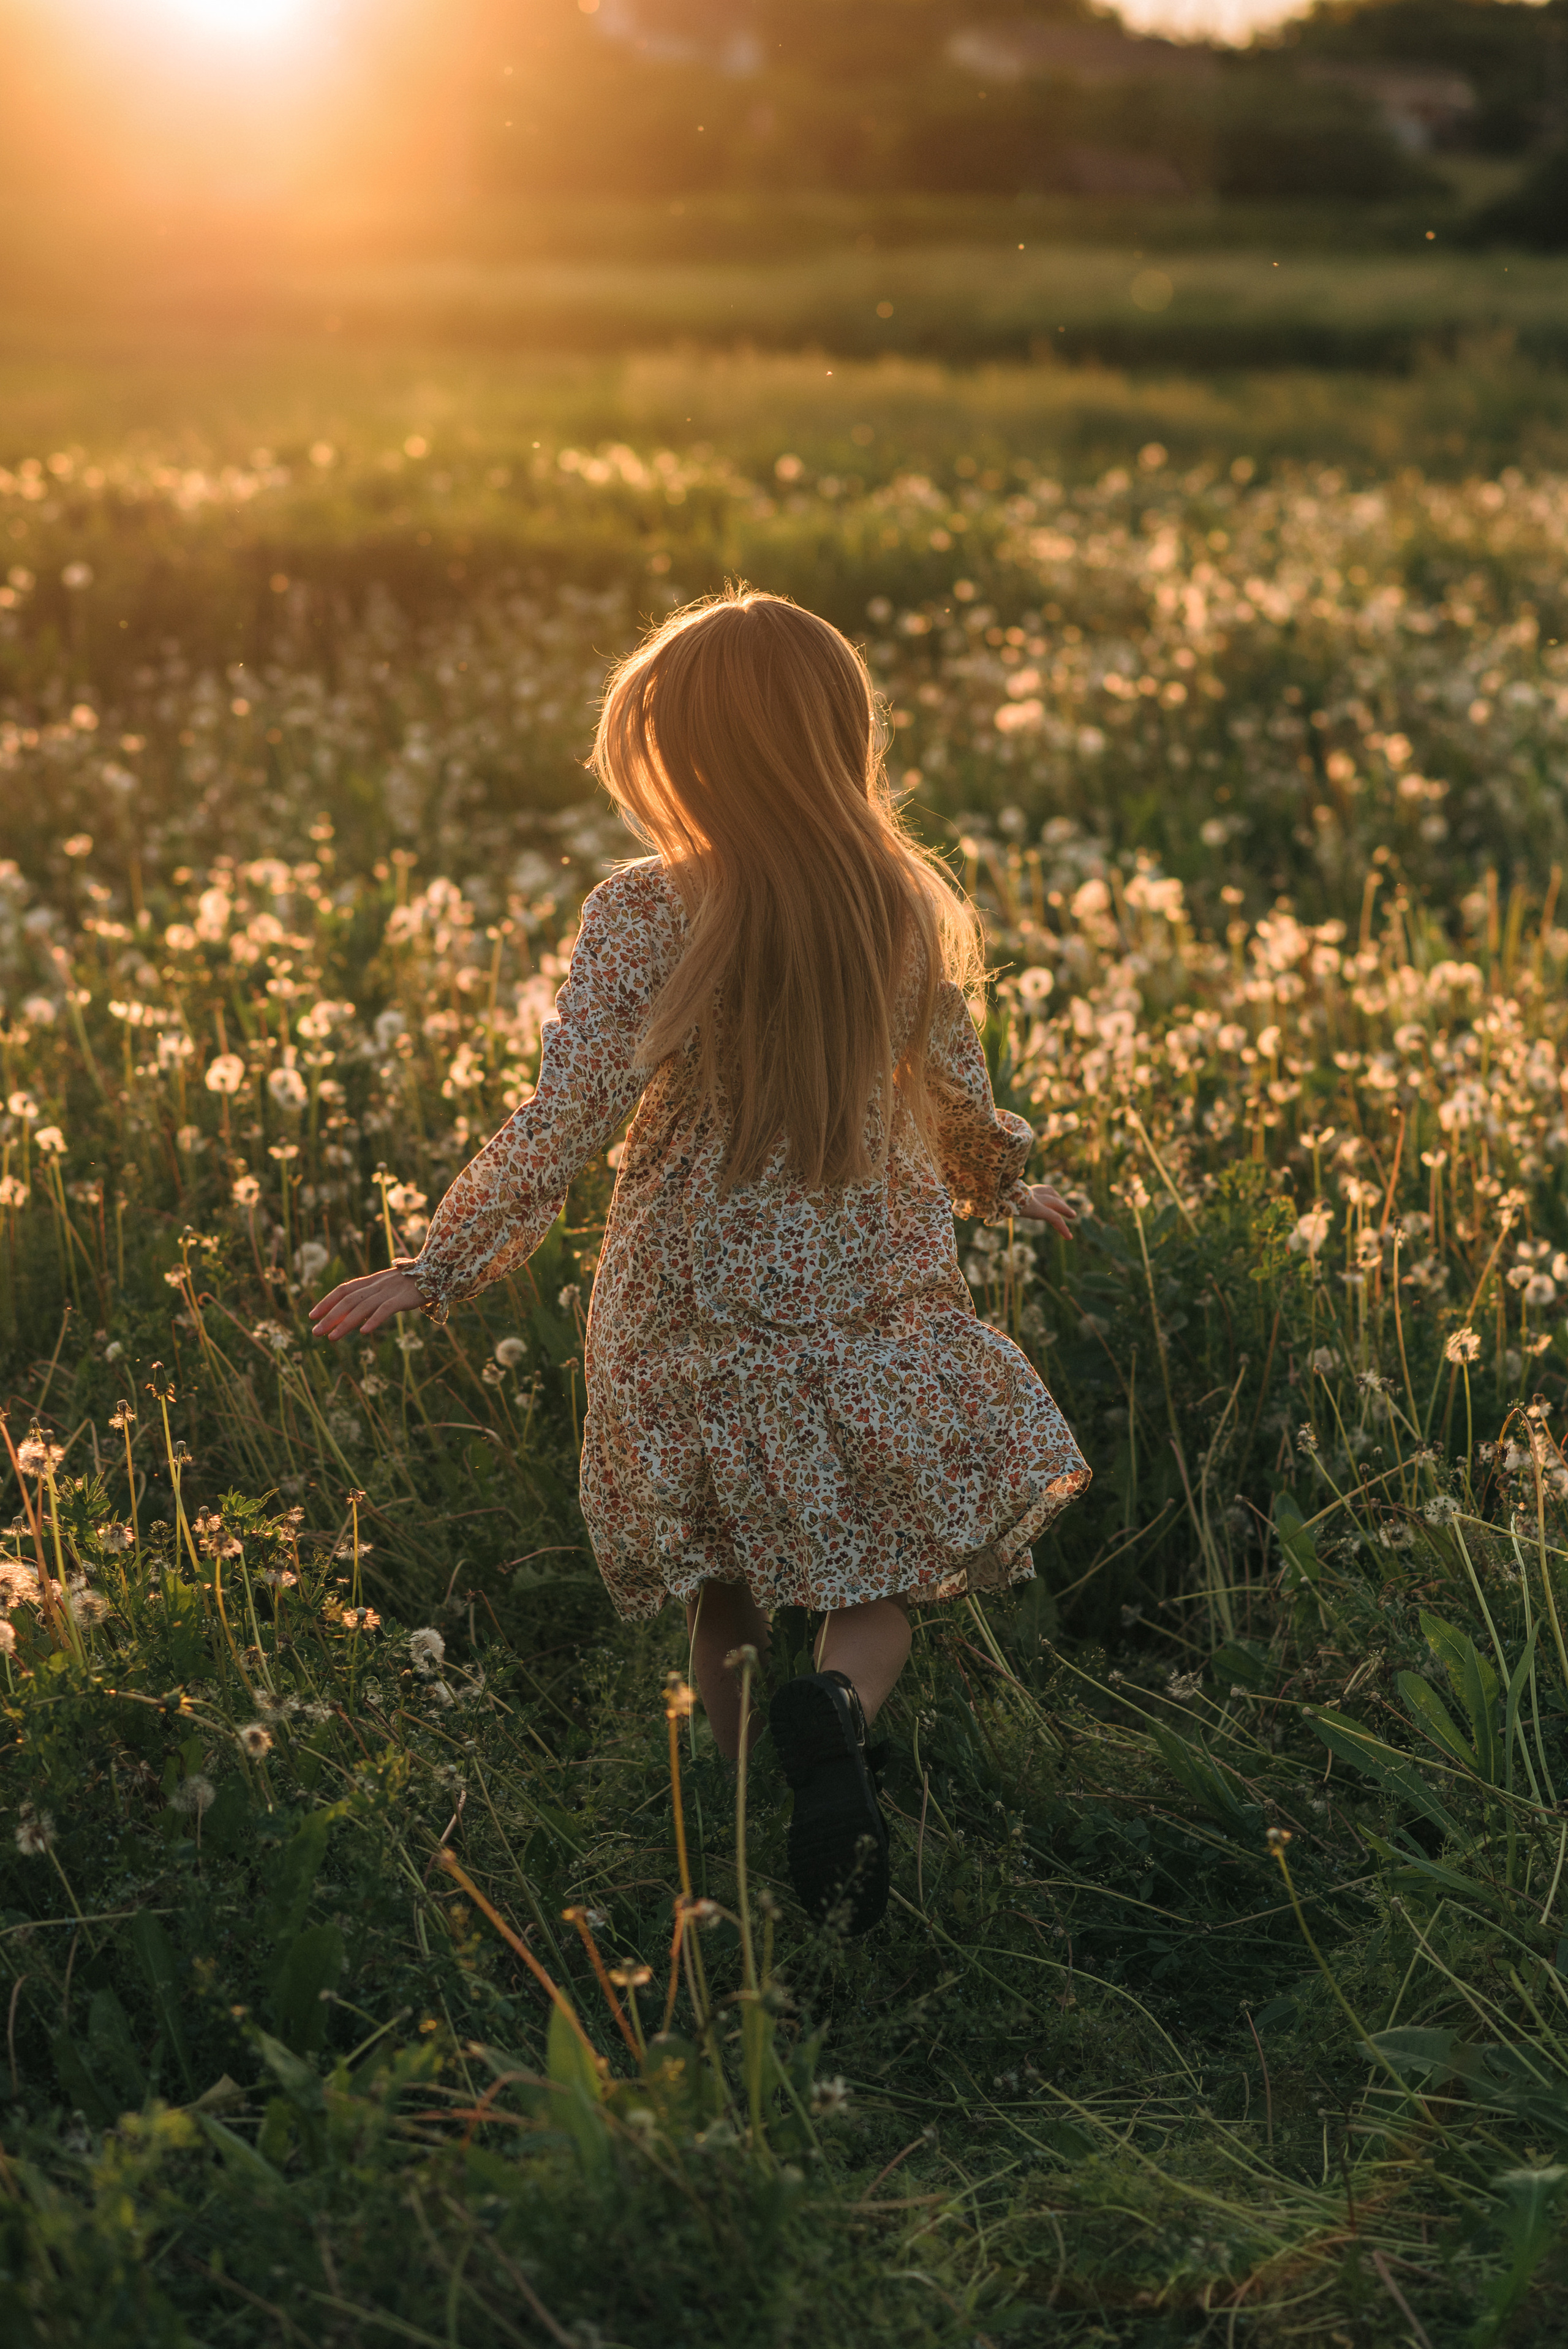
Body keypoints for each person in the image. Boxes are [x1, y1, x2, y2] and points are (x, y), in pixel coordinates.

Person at [312, 588, 1089, 1934]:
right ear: (839, 735)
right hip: (867, 1278)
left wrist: (439, 1262)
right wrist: (1008, 1182)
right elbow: (954, 1092)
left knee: (720, 1575)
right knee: (872, 1582)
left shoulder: (644, 908)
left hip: (687, 1289)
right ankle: (837, 1714)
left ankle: (740, 1822)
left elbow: (563, 1114)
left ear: (683, 750)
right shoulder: (895, 903)